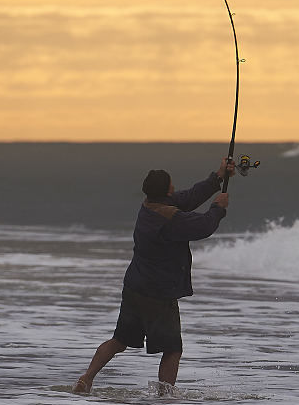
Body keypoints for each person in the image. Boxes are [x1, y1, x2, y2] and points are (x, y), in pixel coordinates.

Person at [73, 157, 235, 394]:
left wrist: (218, 177)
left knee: (119, 341)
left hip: (135, 287)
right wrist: (218, 208)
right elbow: (203, 226)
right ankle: (165, 395)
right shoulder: (169, 219)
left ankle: (86, 379)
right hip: (158, 293)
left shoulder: (149, 205)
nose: (175, 188)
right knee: (172, 348)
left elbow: (188, 198)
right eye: (172, 185)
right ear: (168, 189)